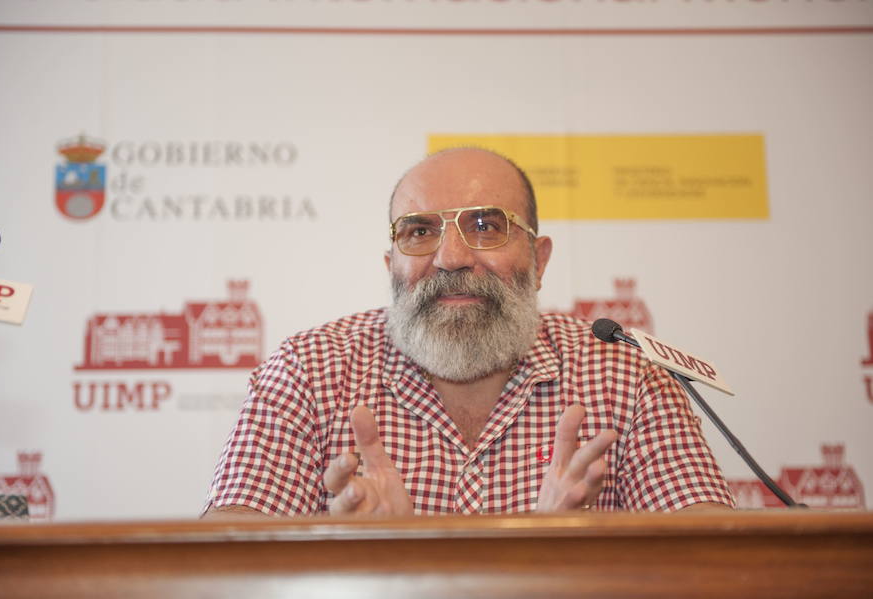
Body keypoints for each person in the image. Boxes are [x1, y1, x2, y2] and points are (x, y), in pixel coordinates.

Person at [203, 148, 734, 518]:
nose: (452, 258)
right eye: (420, 231)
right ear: (392, 265)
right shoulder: (308, 371)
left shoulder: (628, 375)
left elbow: (717, 568)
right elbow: (220, 572)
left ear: (538, 259)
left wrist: (574, 560)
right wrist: (359, 561)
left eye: (486, 226)